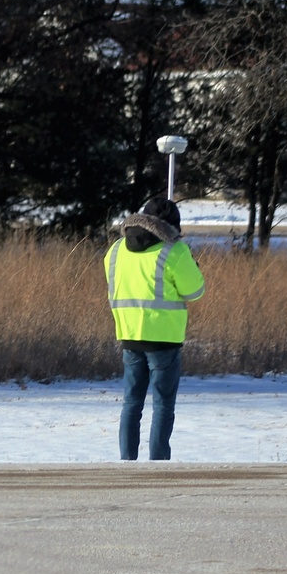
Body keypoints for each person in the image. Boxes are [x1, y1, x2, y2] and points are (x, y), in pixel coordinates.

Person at [104, 197, 205, 461]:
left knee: (132, 402)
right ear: (172, 226)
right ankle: (158, 463)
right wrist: (192, 266)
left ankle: (127, 460)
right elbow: (195, 292)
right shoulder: (175, 251)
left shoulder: (116, 249)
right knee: (162, 404)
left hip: (128, 333)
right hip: (163, 338)